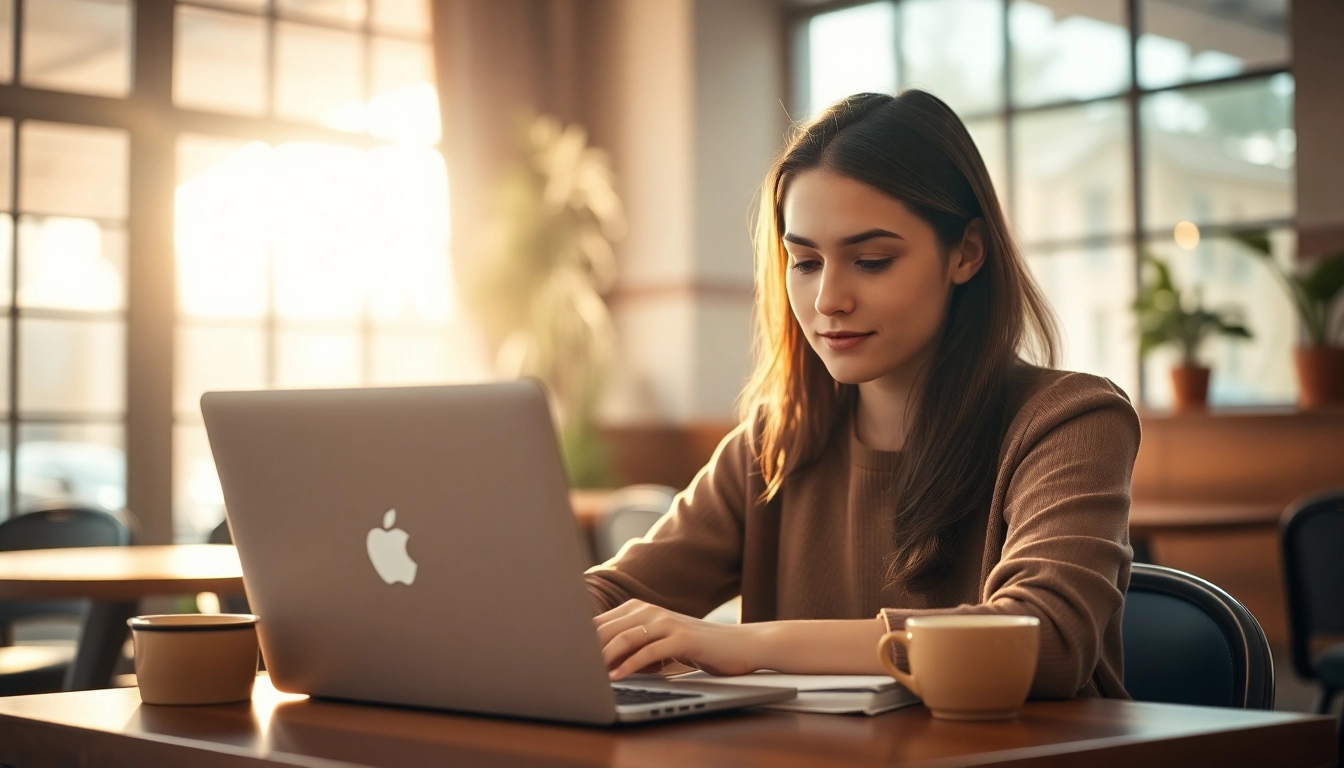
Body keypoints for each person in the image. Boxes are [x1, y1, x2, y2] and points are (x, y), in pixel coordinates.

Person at [586, 90, 1140, 699]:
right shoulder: (772, 445)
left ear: (967, 253)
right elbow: (611, 595)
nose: (828, 301)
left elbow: (1044, 640)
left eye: (871, 260)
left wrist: (745, 645)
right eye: (804, 261)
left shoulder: (1070, 422)